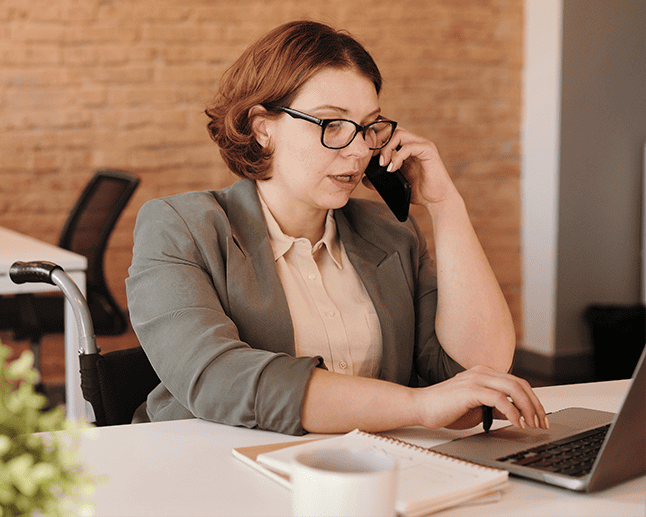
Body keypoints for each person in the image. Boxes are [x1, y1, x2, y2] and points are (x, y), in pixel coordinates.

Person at [125, 20, 547, 436]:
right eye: (332, 124)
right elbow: (216, 377)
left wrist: (444, 204)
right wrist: (417, 405)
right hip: (209, 470)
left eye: (368, 126)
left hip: (362, 473)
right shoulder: (179, 226)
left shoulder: (389, 232)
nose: (360, 148)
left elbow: (479, 369)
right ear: (262, 128)